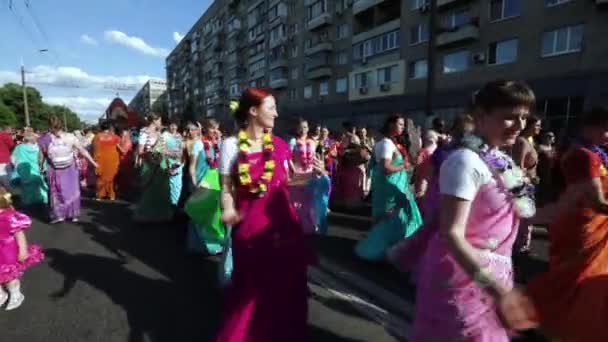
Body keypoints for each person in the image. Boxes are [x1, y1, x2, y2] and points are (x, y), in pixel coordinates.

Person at [412, 80, 536, 341]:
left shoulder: (501, 159)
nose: (520, 126)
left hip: (494, 275)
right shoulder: (464, 161)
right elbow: (451, 234)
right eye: (510, 117)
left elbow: (515, 211)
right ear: (481, 116)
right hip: (464, 278)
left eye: (524, 117)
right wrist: (494, 288)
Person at [214, 88, 314, 342]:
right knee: (250, 292)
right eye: (271, 108)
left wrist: (313, 175)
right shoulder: (230, 145)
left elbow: (287, 181)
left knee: (287, 291)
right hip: (251, 230)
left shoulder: (279, 145)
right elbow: (226, 189)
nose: (277, 113)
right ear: (253, 111)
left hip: (284, 228)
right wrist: (227, 207)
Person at [500, 106, 608, 341]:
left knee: (575, 280)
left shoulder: (592, 153)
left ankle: (555, 319)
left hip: (588, 222)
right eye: (606, 129)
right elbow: (597, 201)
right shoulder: (584, 156)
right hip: (584, 224)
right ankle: (528, 313)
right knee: (571, 279)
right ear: (592, 127)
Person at [354, 114, 423, 261]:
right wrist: (403, 165)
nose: (402, 127)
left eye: (403, 125)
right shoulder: (386, 144)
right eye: (400, 124)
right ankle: (383, 249)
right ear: (391, 125)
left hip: (392, 185)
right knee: (392, 216)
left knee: (393, 216)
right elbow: (385, 168)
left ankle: (393, 248)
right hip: (390, 187)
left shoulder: (391, 143)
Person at [39, 115, 96, 224]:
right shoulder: (70, 137)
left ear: (49, 126)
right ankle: (74, 214)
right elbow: (83, 151)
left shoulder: (44, 139)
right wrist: (93, 163)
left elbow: (41, 156)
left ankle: (59, 215)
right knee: (72, 190)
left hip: (54, 169)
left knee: (56, 191)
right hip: (70, 168)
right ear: (61, 125)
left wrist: (40, 167)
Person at [0, 188, 44, 310]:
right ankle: (1, 295)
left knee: (9, 276)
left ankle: (15, 294)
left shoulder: (8, 216)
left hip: (7, 251)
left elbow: (19, 234)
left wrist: (23, 249)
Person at [185, 119, 225, 254]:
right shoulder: (199, 144)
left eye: (216, 128)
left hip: (216, 183)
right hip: (202, 182)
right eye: (212, 128)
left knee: (214, 213)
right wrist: (194, 183)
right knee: (199, 213)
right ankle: (198, 245)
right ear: (206, 129)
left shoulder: (220, 144)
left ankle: (214, 244)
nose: (214, 131)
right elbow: (192, 166)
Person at [133, 114, 173, 223]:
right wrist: (151, 153)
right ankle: (147, 215)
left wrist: (170, 157)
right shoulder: (144, 132)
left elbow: (164, 149)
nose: (160, 122)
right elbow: (140, 151)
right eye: (159, 120)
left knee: (162, 190)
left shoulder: (159, 133)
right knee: (149, 191)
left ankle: (160, 214)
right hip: (149, 165)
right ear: (154, 120)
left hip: (161, 164)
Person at [511, 115, 542, 254]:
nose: (539, 128)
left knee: (527, 218)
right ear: (529, 126)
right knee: (525, 217)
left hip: (529, 184)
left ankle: (522, 246)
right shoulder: (522, 142)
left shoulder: (530, 141)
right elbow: (518, 166)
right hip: (523, 185)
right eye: (537, 125)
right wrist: (530, 178)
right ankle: (520, 248)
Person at [288, 118, 318, 234]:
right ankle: (297, 225)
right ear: (297, 128)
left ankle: (309, 225)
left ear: (308, 128)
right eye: (300, 127)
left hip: (310, 173)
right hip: (298, 174)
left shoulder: (312, 142)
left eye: (305, 127)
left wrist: (318, 169)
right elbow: (288, 157)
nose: (303, 129)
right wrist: (293, 170)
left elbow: (314, 157)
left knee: (310, 200)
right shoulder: (293, 141)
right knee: (297, 201)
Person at [10, 132, 48, 206]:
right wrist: (43, 168)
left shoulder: (20, 147)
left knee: (26, 189)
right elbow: (43, 159)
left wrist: (16, 166)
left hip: (24, 172)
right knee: (39, 186)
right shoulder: (38, 147)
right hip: (37, 171)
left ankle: (28, 202)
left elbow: (13, 158)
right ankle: (42, 200)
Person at [93, 121, 123, 201]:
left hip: (101, 159)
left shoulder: (97, 137)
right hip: (113, 158)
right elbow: (119, 144)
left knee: (101, 177)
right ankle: (111, 195)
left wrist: (95, 161)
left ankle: (99, 195)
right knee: (111, 177)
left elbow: (95, 149)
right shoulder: (115, 137)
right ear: (109, 128)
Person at [163, 122, 185, 206]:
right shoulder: (164, 135)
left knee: (177, 187)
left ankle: (174, 205)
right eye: (172, 125)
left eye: (175, 126)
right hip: (168, 164)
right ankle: (170, 207)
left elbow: (182, 150)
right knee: (169, 187)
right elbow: (162, 150)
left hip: (178, 165)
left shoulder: (179, 136)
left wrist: (181, 159)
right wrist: (171, 154)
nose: (173, 128)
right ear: (169, 126)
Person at [116, 125, 134, 195]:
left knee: (126, 176)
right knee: (122, 176)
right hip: (121, 160)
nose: (122, 135)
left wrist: (117, 145)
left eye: (123, 134)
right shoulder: (121, 139)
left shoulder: (128, 141)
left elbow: (124, 151)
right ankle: (122, 190)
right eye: (121, 134)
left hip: (126, 160)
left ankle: (126, 192)